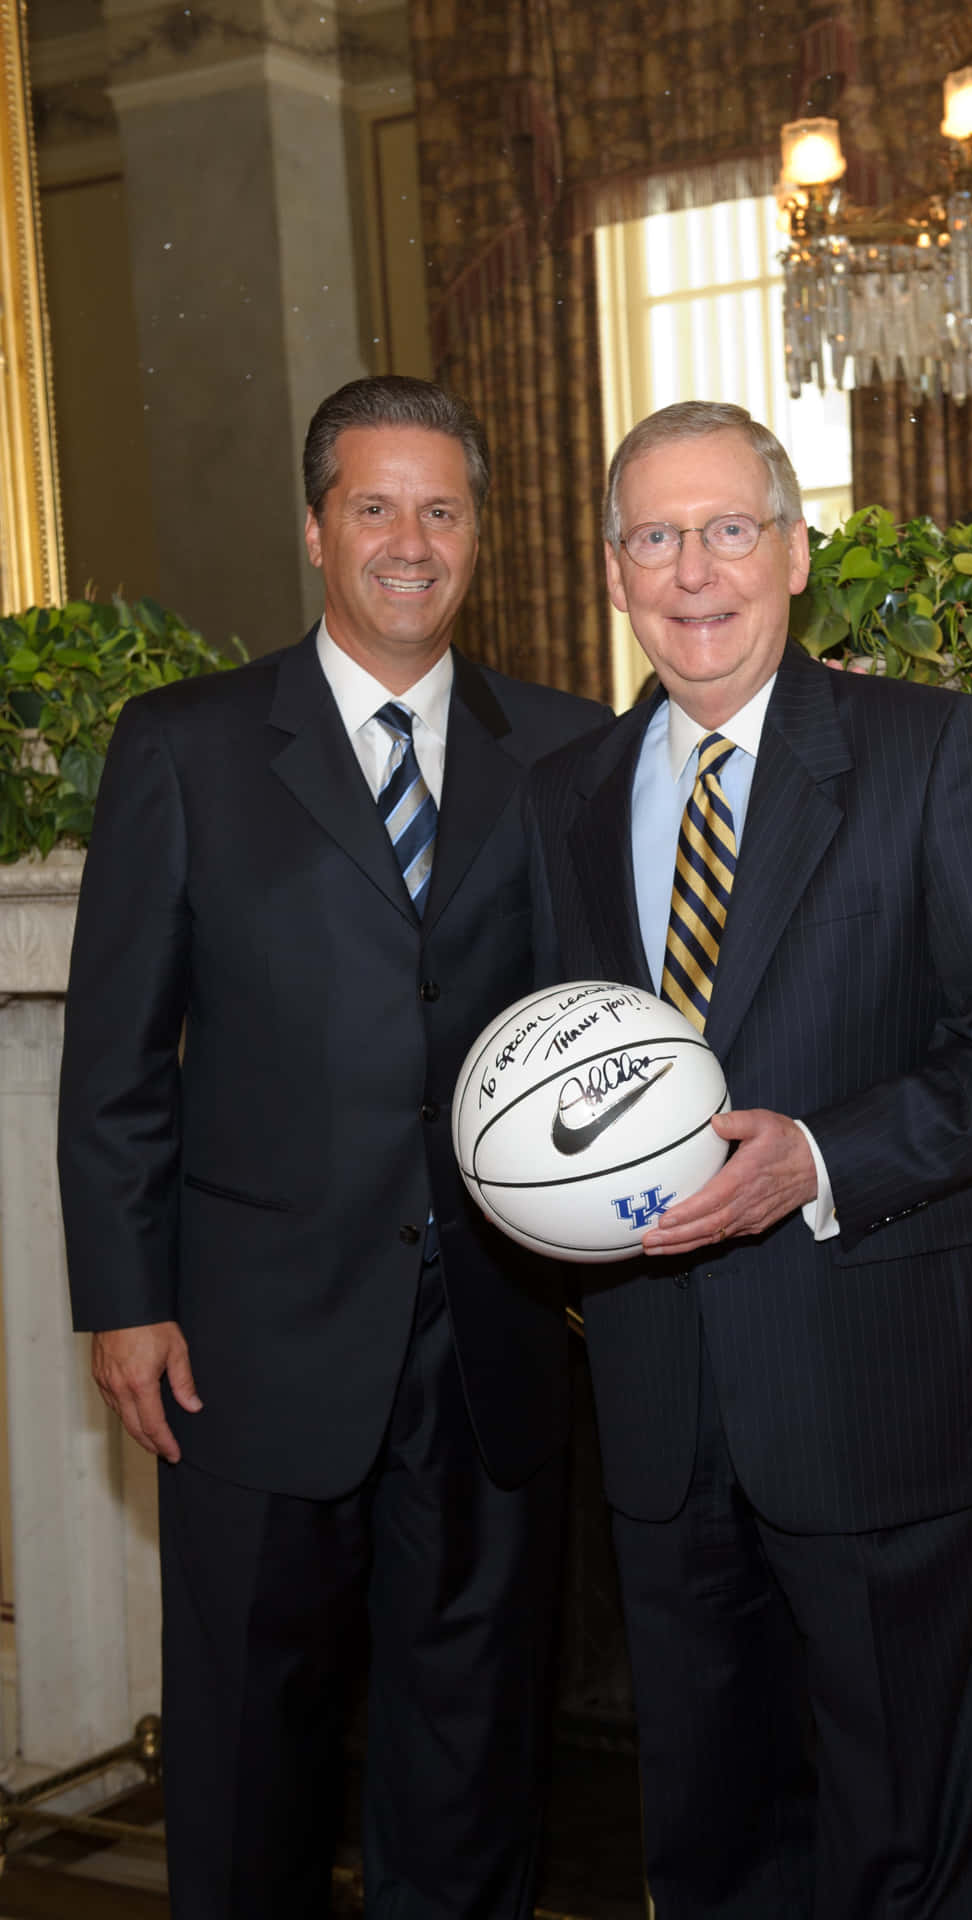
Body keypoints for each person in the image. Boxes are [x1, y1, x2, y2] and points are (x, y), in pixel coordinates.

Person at [525, 400, 972, 1918]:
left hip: (878, 1396)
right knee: (709, 1851)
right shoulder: (562, 798)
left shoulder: (922, 751)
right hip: (657, 1417)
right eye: (656, 535)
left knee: (909, 1849)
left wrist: (816, 1160)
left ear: (792, 550)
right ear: (614, 568)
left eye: (726, 529)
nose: (692, 570)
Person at [57, 374, 605, 1920]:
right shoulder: (184, 748)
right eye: (375, 506)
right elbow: (114, 1065)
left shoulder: (566, 750)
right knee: (246, 1758)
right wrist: (120, 1296)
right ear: (315, 529)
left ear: (480, 535)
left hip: (495, 1343)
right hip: (245, 1344)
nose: (409, 542)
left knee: (473, 1756)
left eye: (442, 509)